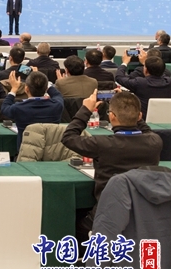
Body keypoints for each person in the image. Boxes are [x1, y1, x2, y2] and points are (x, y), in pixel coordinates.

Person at [61, 91, 162, 232]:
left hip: (108, 214)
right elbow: (146, 130)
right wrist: (131, 106)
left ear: (112, 116)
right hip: (145, 213)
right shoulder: (155, 142)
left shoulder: (102, 144)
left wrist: (86, 110)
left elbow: (68, 137)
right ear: (139, 116)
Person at [1, 70, 64, 150]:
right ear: (46, 89)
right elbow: (57, 94)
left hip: (26, 152)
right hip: (51, 152)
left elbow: (4, 107)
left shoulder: (18, 108)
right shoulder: (57, 105)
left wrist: (14, 89)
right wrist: (42, 80)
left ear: (26, 89)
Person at [116, 51, 171, 118]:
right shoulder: (169, 82)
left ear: (145, 70)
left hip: (143, 120)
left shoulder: (140, 83)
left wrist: (125, 62)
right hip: (166, 118)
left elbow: (119, 77)